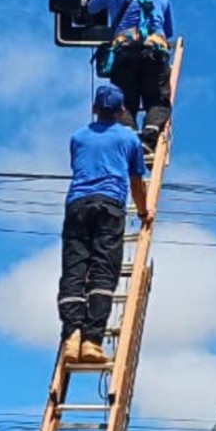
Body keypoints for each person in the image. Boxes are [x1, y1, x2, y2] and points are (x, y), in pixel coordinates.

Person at [58, 83, 150, 365]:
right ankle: (92, 341)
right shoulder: (129, 139)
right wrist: (145, 211)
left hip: (77, 206)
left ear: (94, 109)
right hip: (109, 206)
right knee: (103, 272)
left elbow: (79, 167)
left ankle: (72, 335)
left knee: (74, 270)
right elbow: (136, 181)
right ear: (122, 111)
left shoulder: (78, 138)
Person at [86, 0, 175, 158]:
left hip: (125, 50)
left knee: (125, 101)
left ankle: (131, 137)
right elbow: (168, 30)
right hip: (155, 50)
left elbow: (90, 8)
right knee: (157, 99)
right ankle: (150, 137)